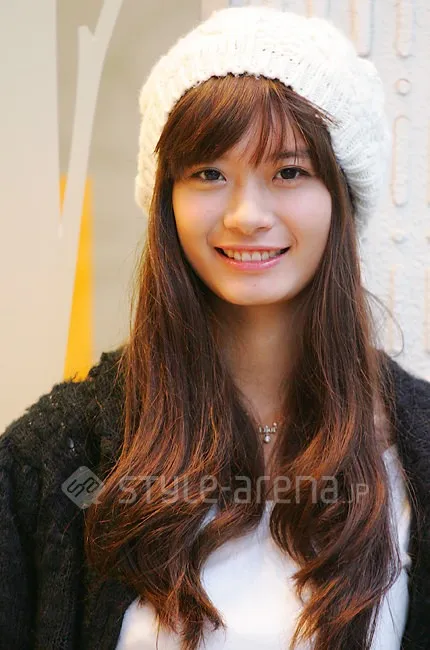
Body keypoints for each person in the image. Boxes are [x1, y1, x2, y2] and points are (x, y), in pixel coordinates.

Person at [1, 5, 429, 650]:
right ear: (166, 198)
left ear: (341, 197)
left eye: (289, 171)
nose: (246, 214)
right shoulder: (58, 460)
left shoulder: (417, 451)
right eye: (208, 173)